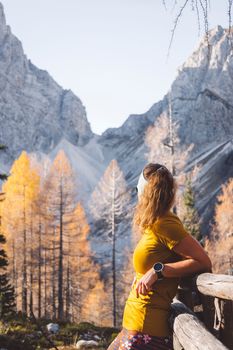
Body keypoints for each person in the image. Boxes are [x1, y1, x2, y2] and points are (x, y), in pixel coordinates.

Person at [107, 163, 212, 350]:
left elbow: (202, 261)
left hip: (146, 328)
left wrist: (158, 271)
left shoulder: (166, 224)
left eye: (137, 190)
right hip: (135, 325)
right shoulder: (155, 224)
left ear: (145, 193)